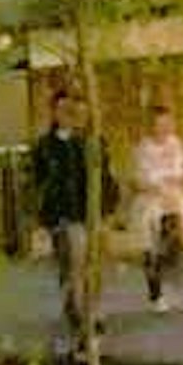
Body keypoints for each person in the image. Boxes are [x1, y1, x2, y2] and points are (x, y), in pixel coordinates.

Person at [28, 95, 109, 334]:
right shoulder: (45, 146)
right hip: (65, 214)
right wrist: (44, 217)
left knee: (94, 263)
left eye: (70, 110)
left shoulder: (87, 142)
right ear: (54, 113)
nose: (67, 115)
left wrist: (106, 208)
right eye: (62, 110)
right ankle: (80, 312)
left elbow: (102, 176)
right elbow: (40, 183)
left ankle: (90, 308)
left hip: (90, 212)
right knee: (74, 262)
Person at [129, 98, 183, 312]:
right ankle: (155, 291)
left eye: (165, 124)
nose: (162, 129)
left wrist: (171, 190)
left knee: (177, 226)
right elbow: (139, 180)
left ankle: (172, 266)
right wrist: (155, 188)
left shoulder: (176, 145)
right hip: (150, 198)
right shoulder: (143, 149)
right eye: (157, 124)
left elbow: (182, 173)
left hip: (172, 196)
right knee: (149, 243)